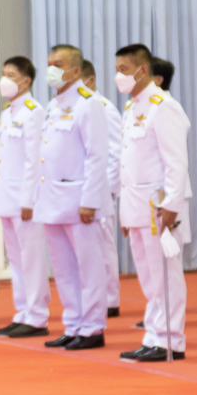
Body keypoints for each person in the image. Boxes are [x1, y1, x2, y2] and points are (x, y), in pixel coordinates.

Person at [114, 44, 192, 362]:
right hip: (136, 207)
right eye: (117, 69)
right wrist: (124, 212)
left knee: (165, 275)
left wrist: (172, 205)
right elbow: (128, 164)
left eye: (124, 69)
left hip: (159, 207)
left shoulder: (163, 106)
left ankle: (171, 340)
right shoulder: (132, 108)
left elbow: (176, 161)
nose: (119, 76)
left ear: (142, 70)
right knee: (148, 277)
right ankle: (154, 335)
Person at [34, 44, 111, 350]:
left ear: (76, 71)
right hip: (53, 199)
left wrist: (90, 200)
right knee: (64, 268)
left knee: (89, 268)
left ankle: (92, 327)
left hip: (79, 199)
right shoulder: (54, 105)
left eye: (59, 64)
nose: (51, 69)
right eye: (49, 63)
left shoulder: (88, 103)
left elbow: (97, 154)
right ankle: (73, 323)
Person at [0, 56, 51, 338]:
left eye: (11, 75)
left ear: (26, 81)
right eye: (4, 74)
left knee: (32, 258)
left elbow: (34, 159)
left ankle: (37, 315)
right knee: (15, 259)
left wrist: (29, 199)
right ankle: (22, 311)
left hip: (25, 199)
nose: (5, 79)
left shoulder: (33, 112)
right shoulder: (8, 112)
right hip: (7, 195)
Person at [81, 59, 123, 318]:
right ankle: (92, 297)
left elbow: (115, 153)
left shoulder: (105, 109)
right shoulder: (75, 107)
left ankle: (110, 299)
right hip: (82, 189)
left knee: (103, 244)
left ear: (90, 80)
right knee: (86, 248)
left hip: (101, 189)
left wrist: (108, 189)